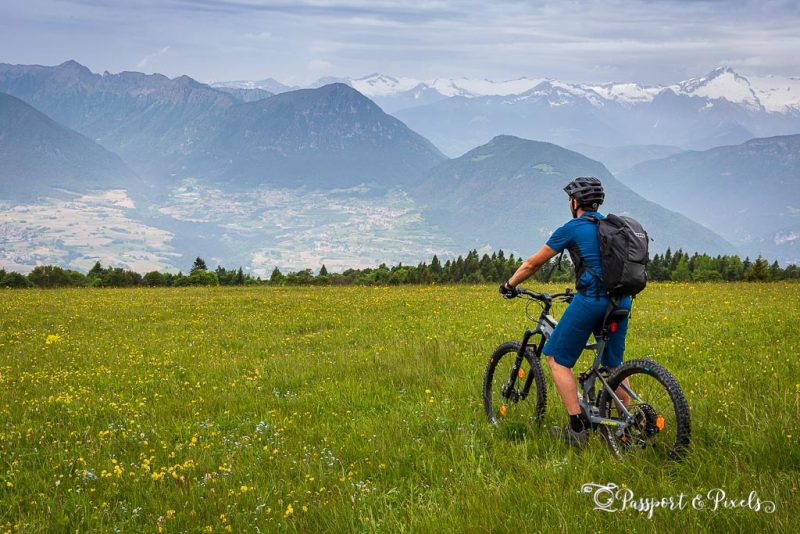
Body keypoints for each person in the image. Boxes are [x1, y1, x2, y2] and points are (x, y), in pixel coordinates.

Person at [498, 176, 632, 447]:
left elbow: (532, 264)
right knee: (612, 366)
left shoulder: (573, 228)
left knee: (556, 359)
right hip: (622, 301)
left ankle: (577, 428)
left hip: (592, 300)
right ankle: (629, 426)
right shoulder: (613, 226)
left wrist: (509, 284)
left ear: (575, 202)